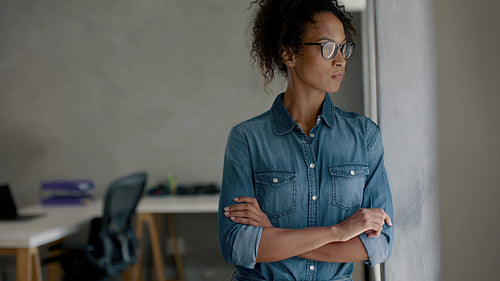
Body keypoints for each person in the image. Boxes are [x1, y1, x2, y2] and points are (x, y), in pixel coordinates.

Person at [217, 1, 394, 280]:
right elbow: (237, 246)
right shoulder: (246, 139)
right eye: (327, 47)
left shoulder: (364, 136)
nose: (340, 59)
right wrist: (338, 232)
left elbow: (378, 245)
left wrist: (274, 235)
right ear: (290, 54)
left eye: (343, 47)